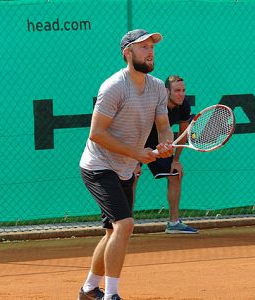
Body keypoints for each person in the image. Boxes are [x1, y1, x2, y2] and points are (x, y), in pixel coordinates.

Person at [78, 29, 174, 300]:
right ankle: (111, 295)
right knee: (125, 225)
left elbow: (164, 127)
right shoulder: (114, 87)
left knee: (112, 231)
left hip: (125, 168)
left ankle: (88, 290)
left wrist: (165, 143)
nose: (150, 51)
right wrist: (136, 152)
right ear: (127, 53)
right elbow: (96, 133)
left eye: (152, 46)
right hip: (98, 166)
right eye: (143, 47)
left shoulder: (157, 87)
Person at [133, 75, 198, 234]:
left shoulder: (184, 106)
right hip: (137, 143)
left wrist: (176, 160)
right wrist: (134, 162)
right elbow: (135, 130)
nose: (181, 94)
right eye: (177, 90)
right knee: (131, 177)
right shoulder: (153, 105)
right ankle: (125, 224)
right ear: (166, 91)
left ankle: (174, 223)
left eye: (183, 90)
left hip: (161, 144)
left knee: (175, 174)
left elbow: (183, 135)